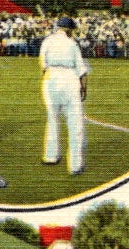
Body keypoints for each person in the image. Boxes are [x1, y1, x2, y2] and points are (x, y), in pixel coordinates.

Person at [39, 16, 90, 174]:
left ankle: (50, 156)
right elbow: (81, 69)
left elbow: (42, 63)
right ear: (69, 30)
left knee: (52, 118)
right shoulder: (72, 44)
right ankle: (75, 165)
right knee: (75, 123)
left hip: (50, 78)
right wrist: (84, 88)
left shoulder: (47, 41)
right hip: (69, 78)